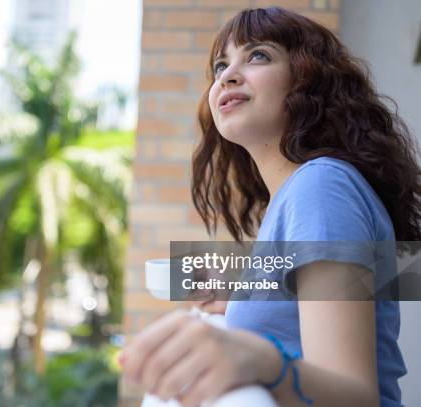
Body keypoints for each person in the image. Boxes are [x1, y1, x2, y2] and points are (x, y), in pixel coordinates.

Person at [119, 7, 421, 407]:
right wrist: (251, 293)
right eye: (220, 65)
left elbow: (357, 397)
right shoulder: (302, 194)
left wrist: (261, 359)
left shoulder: (321, 185)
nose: (227, 75)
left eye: (258, 55)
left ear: (309, 78)